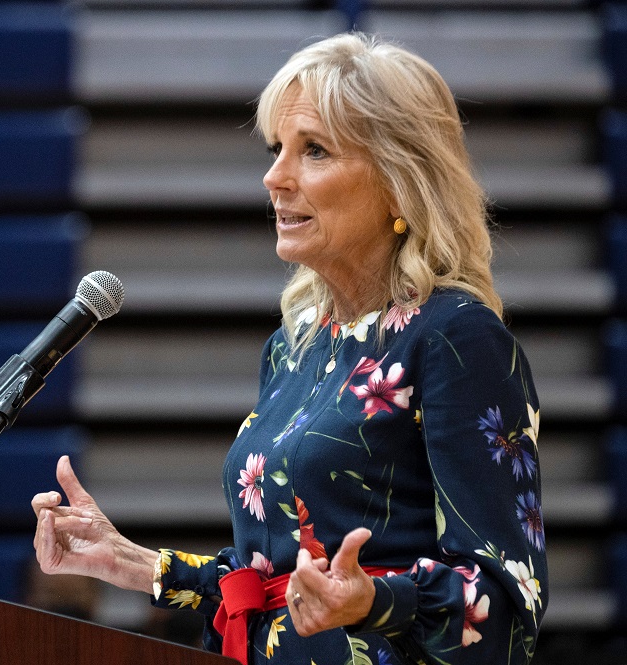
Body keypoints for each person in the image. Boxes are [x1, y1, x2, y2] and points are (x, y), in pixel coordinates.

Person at [31, 32, 546, 665]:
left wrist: (372, 602)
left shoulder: (455, 337)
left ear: (398, 180)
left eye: (315, 152)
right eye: (278, 149)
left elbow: (508, 605)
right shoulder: (296, 345)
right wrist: (138, 565)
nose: (275, 177)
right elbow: (271, 584)